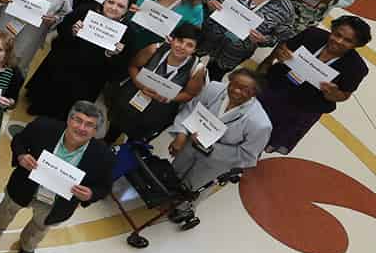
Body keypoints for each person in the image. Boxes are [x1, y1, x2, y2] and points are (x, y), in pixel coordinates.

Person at [0, 102, 115, 253]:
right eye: (77, 120)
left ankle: (28, 246)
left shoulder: (104, 156)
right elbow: (19, 140)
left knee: (40, 227)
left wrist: (90, 194)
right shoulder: (43, 126)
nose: (81, 128)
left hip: (58, 203)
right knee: (6, 209)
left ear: (95, 131)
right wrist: (21, 156)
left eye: (89, 125)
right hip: (25, 186)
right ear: (68, 119)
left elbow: (104, 186)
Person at [164, 71, 271, 229]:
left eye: (244, 89)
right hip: (190, 144)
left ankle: (185, 209)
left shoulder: (259, 123)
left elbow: (247, 155)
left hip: (217, 160)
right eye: (234, 84)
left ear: (254, 93)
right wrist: (181, 135)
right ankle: (166, 196)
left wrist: (211, 146)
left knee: (194, 187)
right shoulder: (214, 89)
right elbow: (190, 109)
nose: (236, 90)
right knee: (175, 172)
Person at [257, 15, 370, 154]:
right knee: (247, 121)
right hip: (275, 88)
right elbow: (283, 49)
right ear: (332, 30)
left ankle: (243, 163)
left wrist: (333, 94)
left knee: (269, 137)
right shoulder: (312, 34)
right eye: (337, 34)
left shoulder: (357, 68)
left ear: (357, 45)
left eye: (348, 41)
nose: (338, 41)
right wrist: (282, 56)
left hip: (304, 107)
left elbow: (344, 95)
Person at [25, 0, 134, 117]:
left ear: (127, 10)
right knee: (44, 98)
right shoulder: (86, 10)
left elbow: (119, 70)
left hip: (89, 79)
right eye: (111, 2)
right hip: (63, 63)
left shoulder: (128, 32)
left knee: (66, 114)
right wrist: (72, 31)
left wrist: (111, 54)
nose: (113, 7)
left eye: (120, 6)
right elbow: (61, 29)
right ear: (104, 0)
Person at [103, 22, 207, 144]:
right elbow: (133, 66)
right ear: (172, 39)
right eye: (179, 40)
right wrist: (141, 85)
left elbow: (189, 94)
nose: (182, 47)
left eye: (189, 45)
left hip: (158, 110)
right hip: (133, 96)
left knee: (136, 141)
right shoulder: (154, 49)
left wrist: (169, 98)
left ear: (195, 49)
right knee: (115, 127)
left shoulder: (197, 69)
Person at [198, 0, 295, 78]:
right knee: (189, 67)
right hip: (206, 37)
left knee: (214, 76)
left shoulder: (285, 9)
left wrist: (263, 40)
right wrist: (209, 2)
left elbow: (280, 37)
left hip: (234, 53)